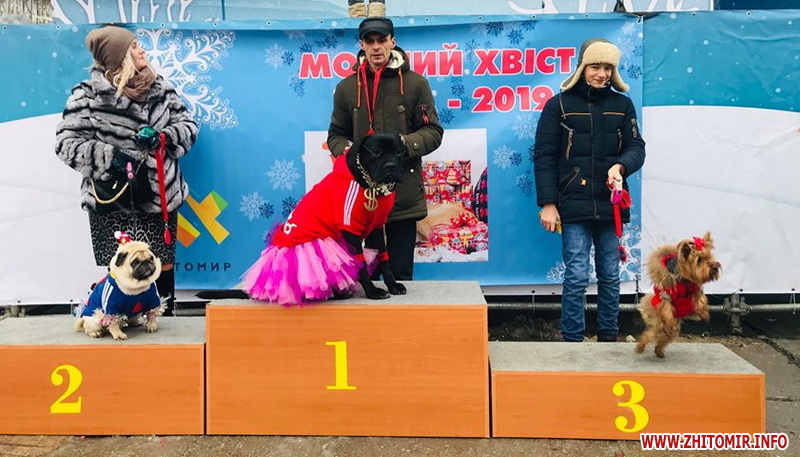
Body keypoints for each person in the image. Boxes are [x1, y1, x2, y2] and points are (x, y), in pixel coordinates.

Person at [55, 25, 198, 315]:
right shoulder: (87, 95)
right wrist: (112, 158)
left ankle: (163, 322)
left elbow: (188, 126)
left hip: (158, 198)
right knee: (121, 267)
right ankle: (119, 323)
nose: (141, 49)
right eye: (133, 46)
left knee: (160, 264)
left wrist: (163, 137)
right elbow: (66, 144)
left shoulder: (160, 88)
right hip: (114, 200)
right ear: (118, 55)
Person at [533, 38, 646, 342]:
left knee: (610, 275)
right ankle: (572, 341)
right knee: (576, 275)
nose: (602, 74)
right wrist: (548, 204)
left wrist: (621, 166)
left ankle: (608, 339)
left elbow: (636, 147)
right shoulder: (558, 105)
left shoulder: (623, 105)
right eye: (596, 66)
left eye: (608, 67)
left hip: (611, 205)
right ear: (583, 67)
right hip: (573, 204)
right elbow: (544, 156)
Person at [328, 17, 443, 281]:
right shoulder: (346, 88)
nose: (376, 47)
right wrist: (350, 152)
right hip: (362, 199)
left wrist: (403, 144)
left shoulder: (416, 84)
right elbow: (335, 135)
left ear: (393, 42)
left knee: (400, 278)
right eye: (370, 41)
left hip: (402, 195)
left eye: (382, 40)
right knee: (364, 279)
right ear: (361, 45)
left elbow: (433, 131)